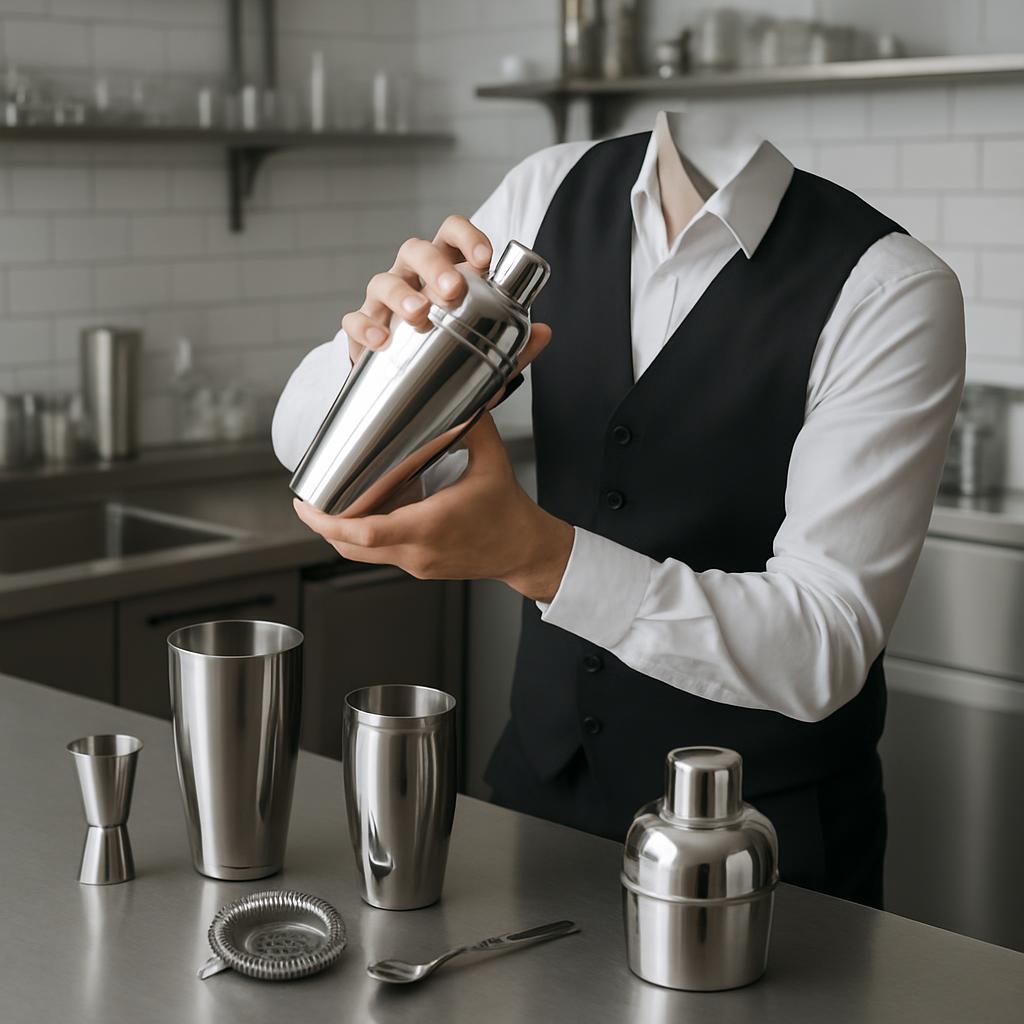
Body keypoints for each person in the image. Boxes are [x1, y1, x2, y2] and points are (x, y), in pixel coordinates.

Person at [272, 111, 965, 909]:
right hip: (540, 807)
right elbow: (297, 430)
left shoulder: (891, 288)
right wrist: (379, 357)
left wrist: (539, 556)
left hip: (759, 853)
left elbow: (824, 643)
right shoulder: (544, 189)